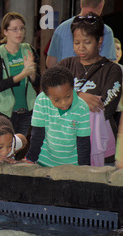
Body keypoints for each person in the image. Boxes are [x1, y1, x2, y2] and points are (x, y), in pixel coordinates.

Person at [57, 13, 122, 166]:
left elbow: (105, 107)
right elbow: (47, 94)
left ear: (99, 41)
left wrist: (64, 98)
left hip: (101, 146)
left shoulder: (112, 70)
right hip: (66, 145)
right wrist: (77, 95)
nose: (81, 48)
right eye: (77, 42)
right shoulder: (65, 65)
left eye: (87, 42)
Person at [26, 66, 91, 167]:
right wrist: (31, 159)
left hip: (72, 165)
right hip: (44, 162)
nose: (64, 103)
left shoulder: (82, 107)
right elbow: (37, 134)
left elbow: (83, 142)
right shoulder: (41, 101)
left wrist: (84, 167)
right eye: (56, 100)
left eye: (68, 96)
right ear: (47, 95)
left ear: (73, 88)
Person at [0, 12, 40, 136]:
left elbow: (38, 82)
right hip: (3, 113)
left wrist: (31, 74)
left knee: (20, 150)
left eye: (22, 28)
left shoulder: (29, 50)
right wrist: (23, 74)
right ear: (5, 31)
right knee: (3, 150)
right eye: (14, 29)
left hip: (27, 112)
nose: (19, 33)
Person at [46, 0, 116, 69]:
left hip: (64, 78)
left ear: (81, 4)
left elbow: (50, 63)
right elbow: (107, 68)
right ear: (101, 4)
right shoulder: (105, 31)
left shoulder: (61, 28)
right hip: (92, 80)